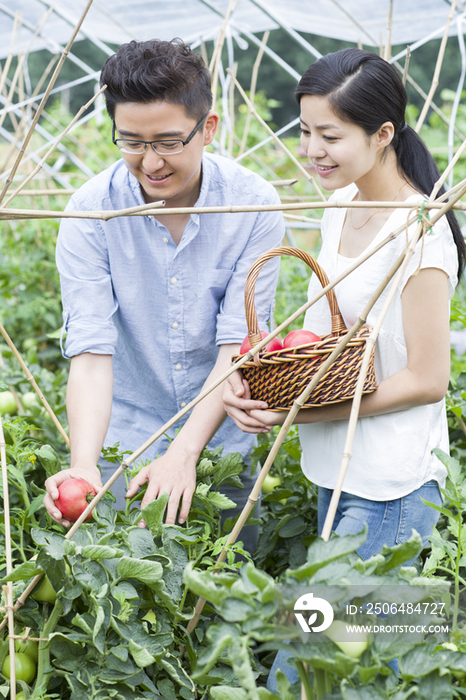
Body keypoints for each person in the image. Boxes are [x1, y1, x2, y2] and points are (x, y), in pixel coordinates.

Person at [222, 47, 465, 690]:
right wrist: (273, 376)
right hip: (335, 462)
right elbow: (338, 340)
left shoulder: (423, 234)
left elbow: (427, 378)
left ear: (384, 134)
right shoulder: (339, 207)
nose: (312, 150)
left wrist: (293, 410)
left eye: (330, 135)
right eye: (305, 131)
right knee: (358, 666)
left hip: (389, 483)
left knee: (301, 671)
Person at [43, 38, 285, 554]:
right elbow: (90, 349)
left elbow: (237, 345)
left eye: (169, 142)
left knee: (226, 595)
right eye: (131, 141)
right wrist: (85, 462)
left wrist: (185, 453)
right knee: (127, 590)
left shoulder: (253, 206)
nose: (150, 162)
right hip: (123, 444)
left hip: (220, 442)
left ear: (209, 128)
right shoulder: (91, 212)